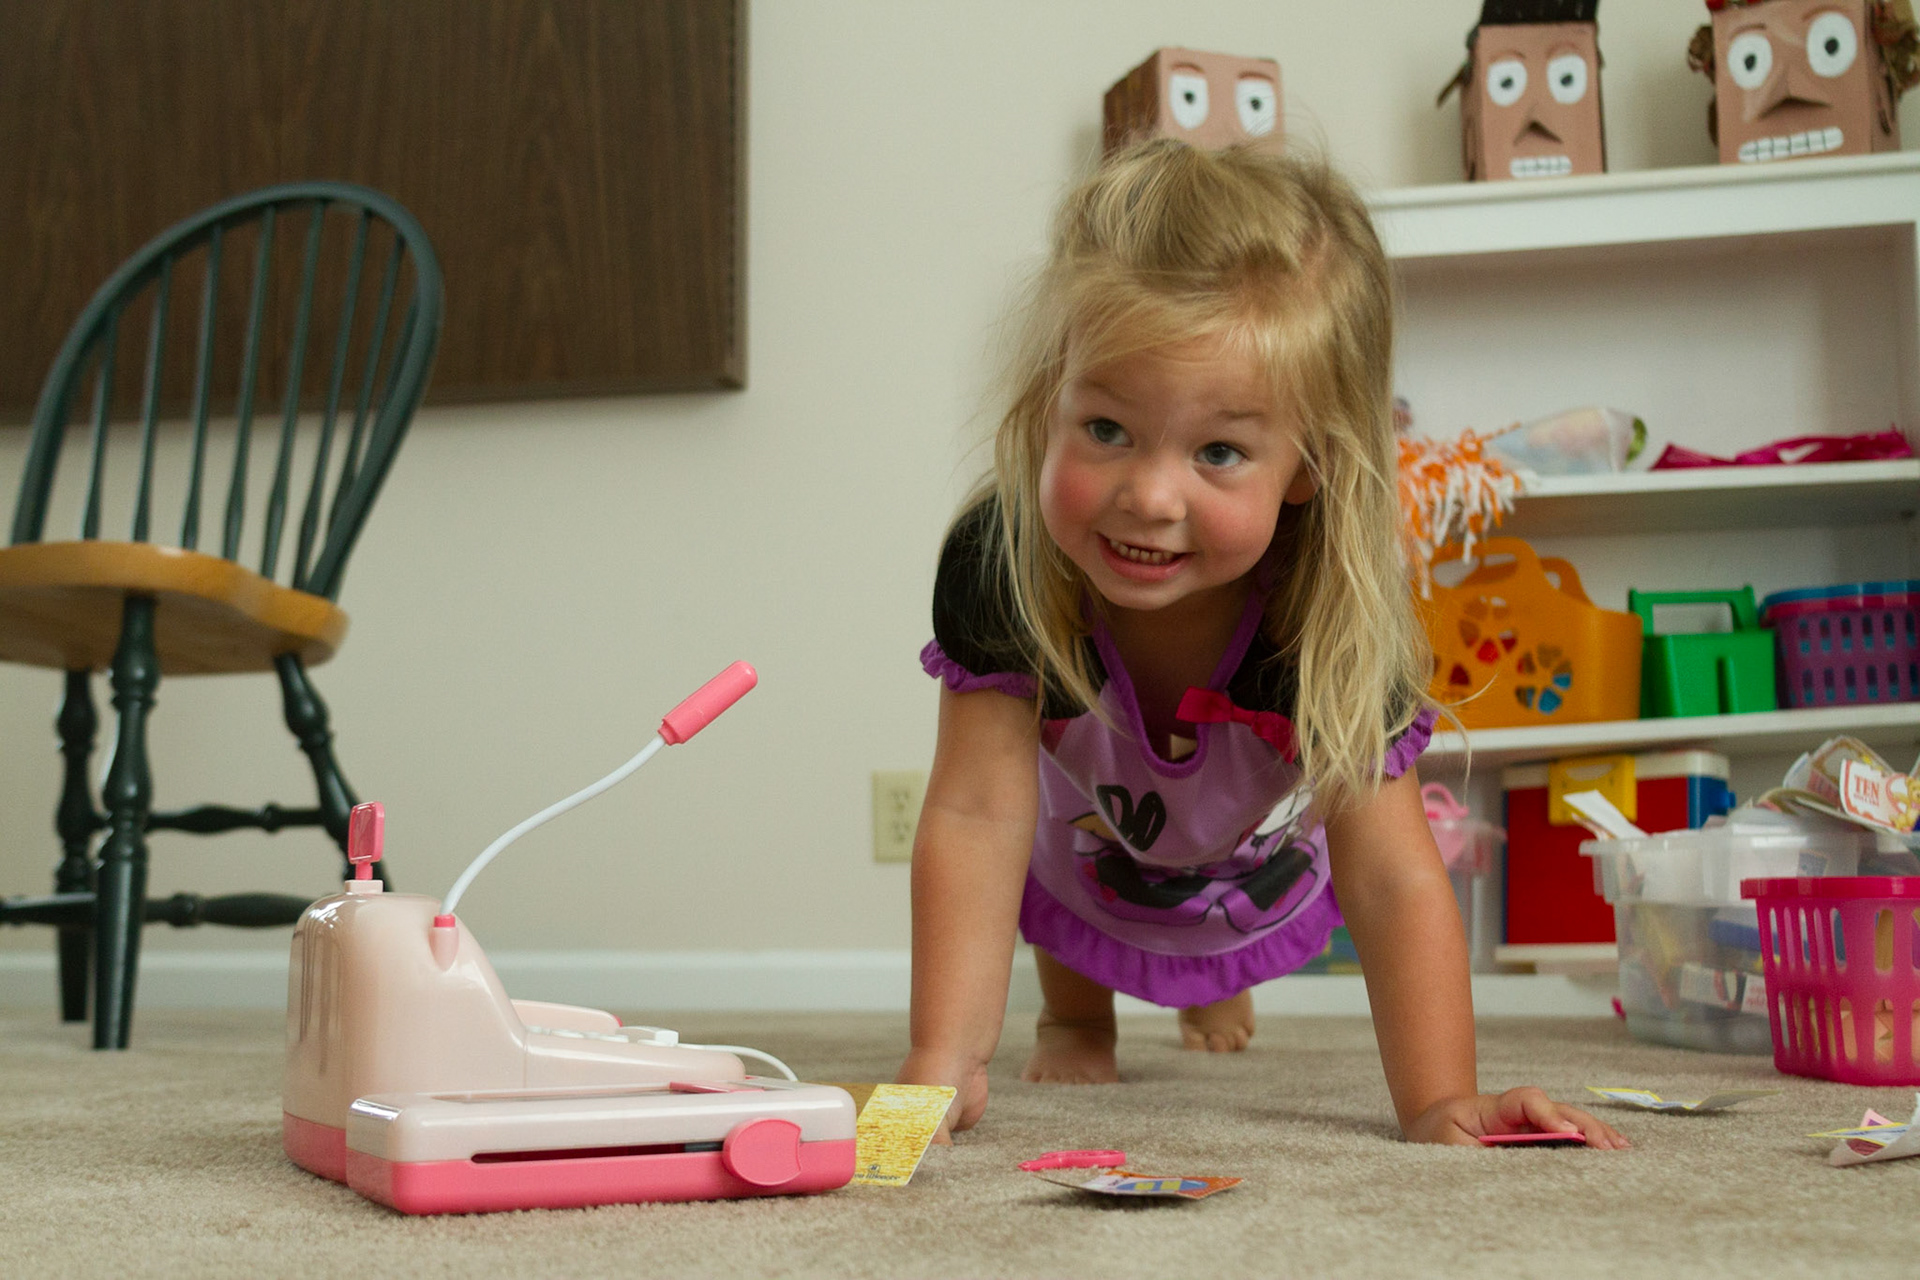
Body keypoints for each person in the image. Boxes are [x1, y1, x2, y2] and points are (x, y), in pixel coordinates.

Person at [895, 139, 1626, 1149]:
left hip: (1243, 836)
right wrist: (940, 1058)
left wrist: (1439, 1098)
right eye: (1105, 427)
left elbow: (1391, 875)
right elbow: (980, 818)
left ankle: (1206, 987)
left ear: (1307, 466)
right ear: (1046, 403)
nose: (1149, 495)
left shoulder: (1326, 611)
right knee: (1070, 846)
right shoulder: (1003, 558)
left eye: (1220, 451)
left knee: (1211, 886)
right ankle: (1077, 1010)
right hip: (1087, 824)